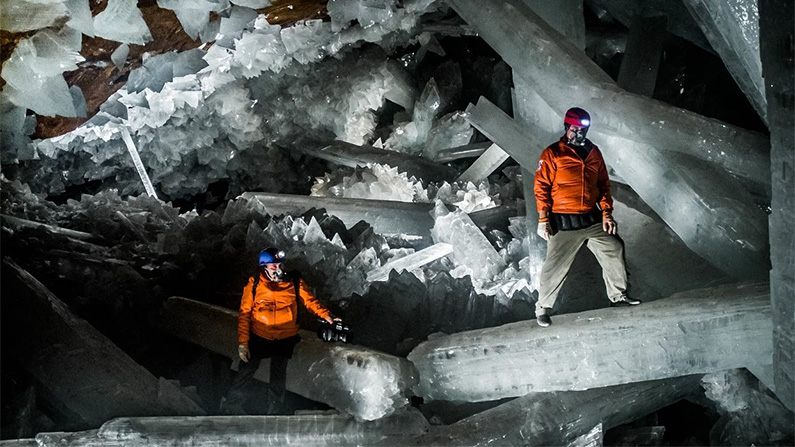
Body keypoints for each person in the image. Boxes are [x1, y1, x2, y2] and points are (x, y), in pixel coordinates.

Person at [533, 107, 640, 328]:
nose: (579, 134)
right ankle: (542, 308)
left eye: (583, 130)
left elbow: (603, 185)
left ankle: (618, 297)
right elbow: (541, 187)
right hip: (563, 222)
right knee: (555, 266)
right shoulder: (553, 153)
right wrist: (543, 219)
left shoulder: (593, 152)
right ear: (566, 128)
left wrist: (607, 214)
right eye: (575, 129)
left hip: (591, 219)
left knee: (614, 247)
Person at [221, 247, 339, 414]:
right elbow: (245, 313)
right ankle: (232, 405)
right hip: (260, 335)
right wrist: (243, 343)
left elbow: (311, 301)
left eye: (279, 264)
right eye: (273, 265)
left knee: (278, 374)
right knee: (247, 369)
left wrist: (328, 316)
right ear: (264, 267)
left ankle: (275, 408)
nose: (277, 268)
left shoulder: (294, 281)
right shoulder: (254, 284)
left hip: (285, 337)